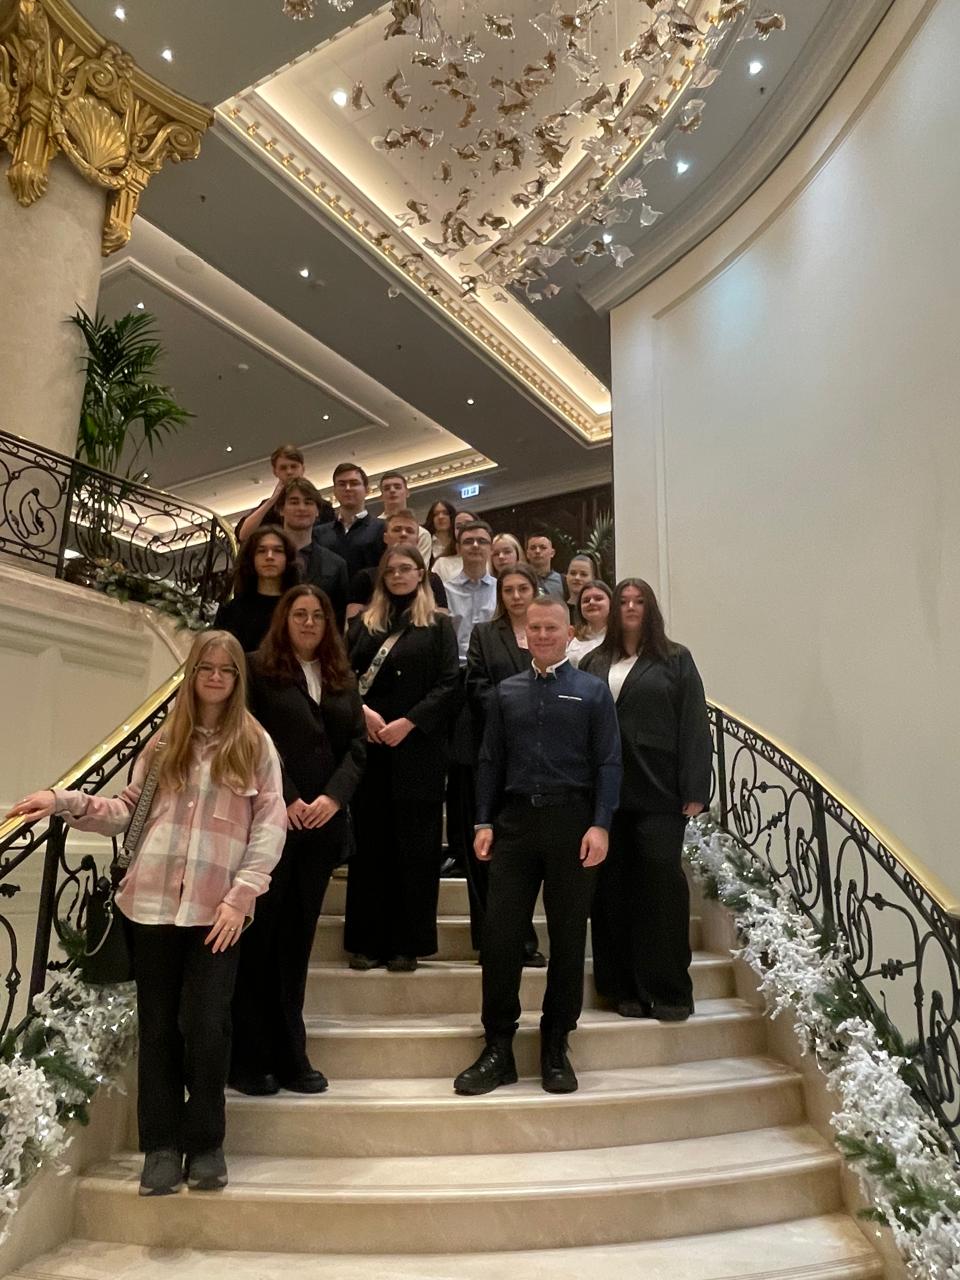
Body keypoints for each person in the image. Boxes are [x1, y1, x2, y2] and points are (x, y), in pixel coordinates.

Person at [6, 631, 286, 1195]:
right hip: (151, 904)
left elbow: (269, 825)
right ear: (192, 673)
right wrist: (62, 801)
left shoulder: (255, 744)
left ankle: (205, 1145)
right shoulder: (164, 742)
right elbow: (125, 811)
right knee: (158, 1029)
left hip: (217, 911)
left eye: (226, 670)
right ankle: (160, 1147)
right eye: (205, 667)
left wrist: (242, 896)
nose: (215, 678)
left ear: (237, 679)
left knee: (206, 1025)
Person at [454, 596, 621, 1097]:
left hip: (573, 826)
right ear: (525, 636)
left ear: (570, 634)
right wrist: (483, 820)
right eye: (535, 629)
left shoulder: (592, 692)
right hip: (516, 824)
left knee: (568, 939)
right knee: (500, 938)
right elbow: (490, 760)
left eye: (552, 628)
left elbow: (609, 762)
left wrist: (601, 824)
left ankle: (555, 1044)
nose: (543, 635)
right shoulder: (507, 693)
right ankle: (498, 1047)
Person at [231, 586, 365, 1096]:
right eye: (299, 614)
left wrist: (333, 798)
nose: (308, 623)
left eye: (317, 616)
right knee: (259, 940)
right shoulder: (256, 669)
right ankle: (249, 1060)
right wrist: (284, 797)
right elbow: (247, 738)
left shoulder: (341, 676)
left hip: (322, 830)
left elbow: (357, 746)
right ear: (284, 620)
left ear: (328, 624)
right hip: (271, 824)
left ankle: (291, 1054)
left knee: (295, 944)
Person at [582, 578, 711, 1022]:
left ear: (650, 608)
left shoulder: (675, 659)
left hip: (659, 791)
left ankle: (668, 990)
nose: (631, 607)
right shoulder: (595, 661)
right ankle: (622, 988)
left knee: (660, 888)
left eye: (639, 601)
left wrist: (695, 788)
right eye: (623, 600)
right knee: (611, 890)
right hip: (606, 796)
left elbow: (694, 724)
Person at [345, 544, 460, 971]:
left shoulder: (439, 626)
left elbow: (450, 684)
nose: (397, 575)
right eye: (390, 569)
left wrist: (409, 722)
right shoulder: (362, 624)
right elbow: (341, 676)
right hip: (371, 749)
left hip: (418, 752)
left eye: (405, 568)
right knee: (370, 849)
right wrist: (364, 713)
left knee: (416, 852)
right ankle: (367, 941)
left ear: (421, 573)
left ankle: (406, 944)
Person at [464, 563, 545, 964]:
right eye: (508, 590)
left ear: (535, 592)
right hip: (495, 746)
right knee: (491, 851)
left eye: (522, 589)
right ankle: (493, 941)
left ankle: (524, 940)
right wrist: (513, 709)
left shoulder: (545, 632)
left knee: (526, 852)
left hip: (540, 754)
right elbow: (476, 684)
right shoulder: (484, 633)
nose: (515, 596)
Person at [347, 509, 448, 620]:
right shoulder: (364, 578)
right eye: (397, 530)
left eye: (409, 531)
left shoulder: (432, 581)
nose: (403, 534)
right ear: (385, 538)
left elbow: (443, 624)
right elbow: (352, 626)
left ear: (417, 541)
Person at [214, 526, 300, 653]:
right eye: (261, 551)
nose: (269, 556)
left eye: (277, 551)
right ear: (251, 558)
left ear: (288, 558)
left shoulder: (299, 607)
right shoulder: (231, 611)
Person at [277, 478, 348, 627]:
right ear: (281, 509)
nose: (301, 508)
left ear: (317, 511)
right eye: (294, 502)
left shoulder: (336, 564)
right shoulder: (263, 558)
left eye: (308, 502)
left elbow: (338, 620)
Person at [235, 444, 334, 542]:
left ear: (303, 469)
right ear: (275, 472)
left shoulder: (324, 507)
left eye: (294, 466)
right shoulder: (269, 508)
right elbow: (243, 535)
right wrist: (271, 501)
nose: (289, 472)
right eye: (283, 468)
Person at [314, 463, 385, 579]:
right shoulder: (319, 533)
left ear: (367, 490)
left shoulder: (382, 528)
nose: (347, 488)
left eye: (354, 483)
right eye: (342, 484)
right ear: (334, 491)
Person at [378, 471, 432, 562]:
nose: (392, 490)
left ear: (407, 493)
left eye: (397, 487)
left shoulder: (422, 534)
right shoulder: (373, 529)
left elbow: (420, 566)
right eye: (387, 488)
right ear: (381, 496)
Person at [567, 579, 612, 668]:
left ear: (611, 603)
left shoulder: (622, 638)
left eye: (598, 599)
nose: (591, 602)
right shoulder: (573, 639)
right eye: (586, 600)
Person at [433, 510, 476, 583]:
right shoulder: (442, 564)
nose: (463, 529)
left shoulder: (489, 558)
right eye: (458, 527)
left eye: (469, 524)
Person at [565, 553, 600, 620]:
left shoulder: (599, 610)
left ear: (593, 578)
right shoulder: (558, 609)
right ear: (566, 576)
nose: (577, 578)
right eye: (573, 573)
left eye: (583, 574)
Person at [425, 499, 457, 567]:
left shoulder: (458, 542)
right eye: (436, 514)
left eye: (445, 513)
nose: (440, 517)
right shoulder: (426, 542)